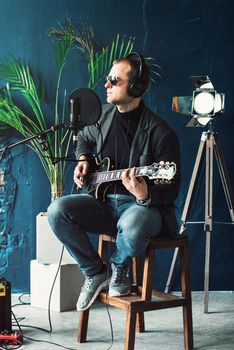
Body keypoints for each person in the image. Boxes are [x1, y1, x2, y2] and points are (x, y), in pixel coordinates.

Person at [47, 52, 181, 312]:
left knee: (132, 225)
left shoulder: (160, 132)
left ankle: (119, 266)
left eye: (114, 80)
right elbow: (83, 138)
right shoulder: (102, 117)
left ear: (136, 87)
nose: (106, 85)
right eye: (108, 79)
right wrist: (83, 158)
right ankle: (96, 271)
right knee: (57, 211)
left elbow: (172, 188)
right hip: (103, 204)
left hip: (141, 211)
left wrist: (144, 194)